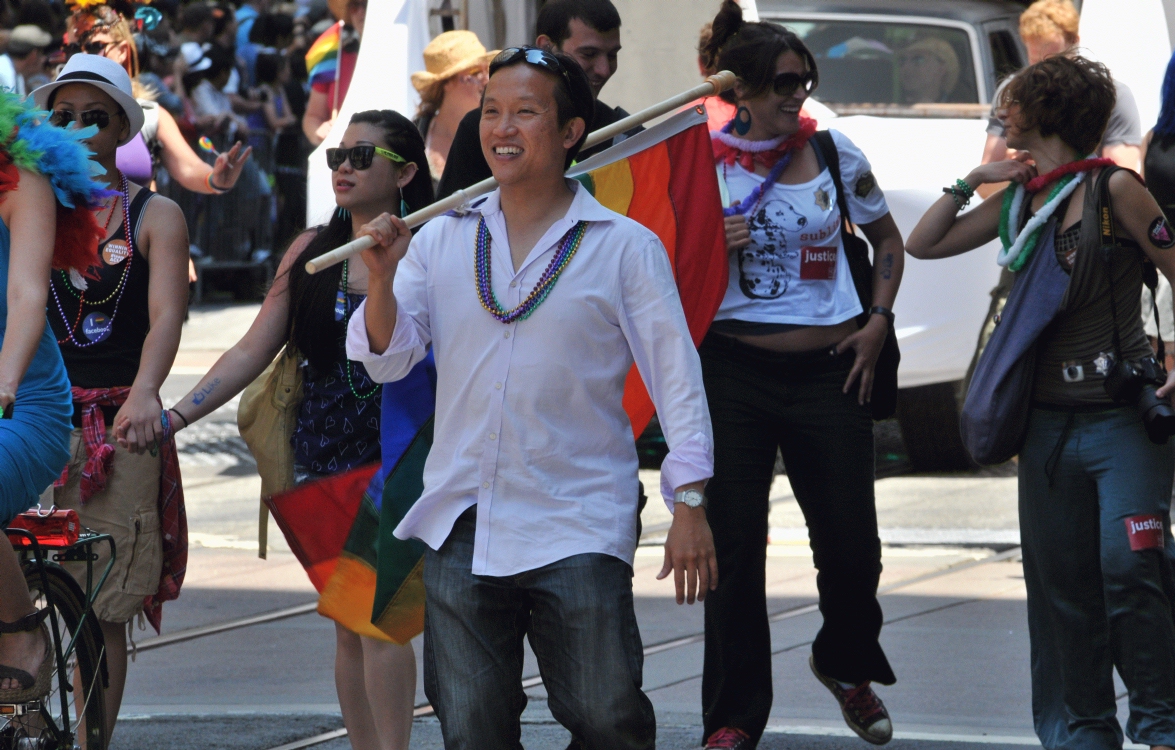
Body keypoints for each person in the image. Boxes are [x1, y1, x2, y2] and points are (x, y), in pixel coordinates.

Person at [347, 46, 716, 749]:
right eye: (490, 112)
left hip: (577, 515)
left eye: (525, 112)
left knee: (607, 716)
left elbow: (676, 378)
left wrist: (689, 500)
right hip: (462, 516)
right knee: (472, 728)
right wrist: (385, 279)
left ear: (571, 131)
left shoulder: (624, 246)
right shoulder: (441, 239)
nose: (502, 128)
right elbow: (389, 363)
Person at [907, 54, 1175, 750]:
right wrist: (971, 180)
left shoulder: (1119, 190)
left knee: (1130, 563)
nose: (1001, 117)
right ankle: (1082, 732)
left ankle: (1160, 716)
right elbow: (923, 242)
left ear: (1044, 114)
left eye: (1012, 108)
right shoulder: (1024, 198)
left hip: (1122, 422)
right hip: (1048, 429)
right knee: (1062, 594)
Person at [155, 109, 431, 750]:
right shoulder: (310, 250)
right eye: (339, 154)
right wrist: (176, 415)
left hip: (401, 452)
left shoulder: (435, 244)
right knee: (347, 621)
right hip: (320, 456)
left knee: (380, 617)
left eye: (363, 157)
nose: (343, 167)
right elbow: (252, 348)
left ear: (406, 172)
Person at [698, 3, 906, 748]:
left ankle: (842, 659)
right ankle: (731, 718)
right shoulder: (699, 160)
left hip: (831, 367)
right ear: (742, 90)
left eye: (804, 81)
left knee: (853, 549)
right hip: (731, 370)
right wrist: (703, 243)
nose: (798, 95)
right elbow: (653, 267)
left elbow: (885, 239)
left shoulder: (835, 152)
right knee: (733, 551)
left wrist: (876, 321)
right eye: (784, 83)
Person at [33, 53, 191, 745]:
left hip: (121, 422)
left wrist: (147, 395)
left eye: (93, 118)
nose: (74, 128)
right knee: (22, 594)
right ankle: (27, 722)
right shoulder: (30, 208)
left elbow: (167, 318)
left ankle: (94, 740)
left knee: (105, 602)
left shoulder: (154, 213)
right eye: (60, 116)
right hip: (38, 416)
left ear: (121, 128)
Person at [0, 84, 107, 700]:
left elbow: (26, 298)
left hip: (24, 409)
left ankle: (21, 629)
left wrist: (5, 383)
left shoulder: (21, 178)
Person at [435, 0, 639, 200]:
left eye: (612, 55)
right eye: (588, 54)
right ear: (547, 46)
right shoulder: (477, 129)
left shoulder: (627, 136)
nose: (604, 69)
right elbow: (448, 221)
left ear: (572, 132)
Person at [66, 1, 253, 194]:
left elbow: (188, 168)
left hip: (138, 224)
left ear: (122, 51)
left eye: (94, 45)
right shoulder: (48, 117)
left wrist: (215, 179)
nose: (83, 54)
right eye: (73, 47)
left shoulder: (148, 116)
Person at [981, 0, 1141, 171]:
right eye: (1036, 63)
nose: (1046, 74)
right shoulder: (1012, 92)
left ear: (1074, 41)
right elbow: (986, 184)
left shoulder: (1112, 96)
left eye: (1054, 61)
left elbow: (1122, 177)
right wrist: (1015, 171)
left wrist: (1050, 169)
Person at [410, 30, 492, 182]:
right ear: (447, 82)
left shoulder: (496, 133)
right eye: (476, 72)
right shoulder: (411, 138)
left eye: (487, 70)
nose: (487, 79)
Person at [303, 0, 367, 146]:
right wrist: (318, 131)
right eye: (355, 6)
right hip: (341, 157)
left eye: (367, 4)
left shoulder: (402, 55)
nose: (361, 12)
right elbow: (313, 117)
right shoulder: (335, 57)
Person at [896, 37, 960, 104]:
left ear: (941, 69)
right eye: (902, 61)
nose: (906, 67)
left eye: (918, 60)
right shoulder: (890, 103)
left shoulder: (959, 109)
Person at [0, 24, 50, 97]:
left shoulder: (17, 75)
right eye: (42, 53)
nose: (44, 59)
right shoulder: (3, 75)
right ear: (34, 55)